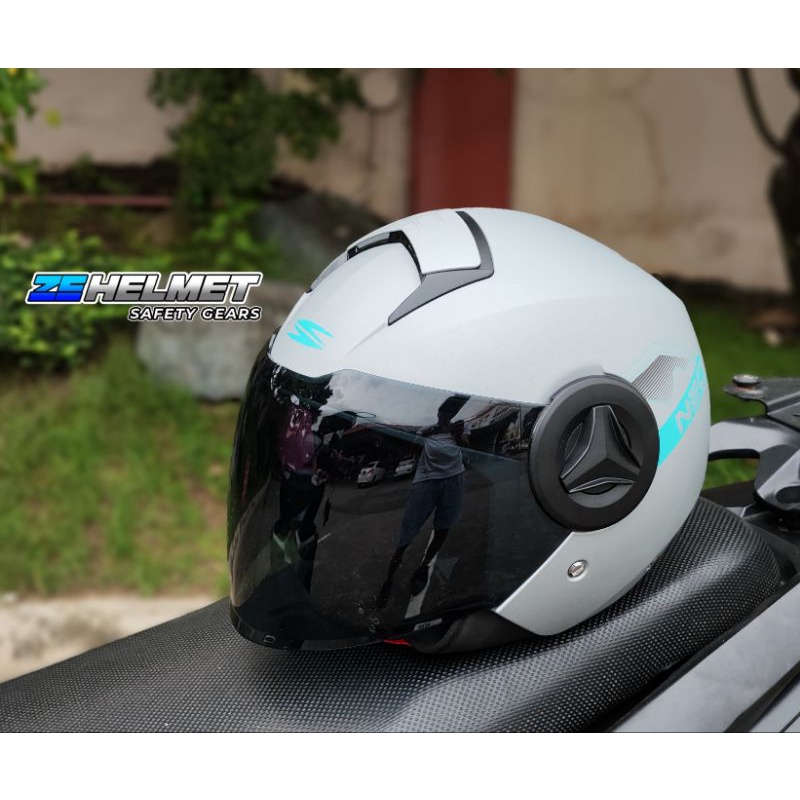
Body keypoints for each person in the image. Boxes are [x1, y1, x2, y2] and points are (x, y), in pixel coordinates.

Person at [376, 395, 470, 608]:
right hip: (426, 482)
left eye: (451, 412)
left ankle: (424, 566)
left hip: (454, 480)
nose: (447, 415)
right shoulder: (426, 429)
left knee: (443, 527)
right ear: (439, 413)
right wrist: (427, 434)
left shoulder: (461, 426)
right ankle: (389, 578)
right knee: (408, 531)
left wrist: (457, 435)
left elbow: (467, 450)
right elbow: (412, 450)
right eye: (444, 411)